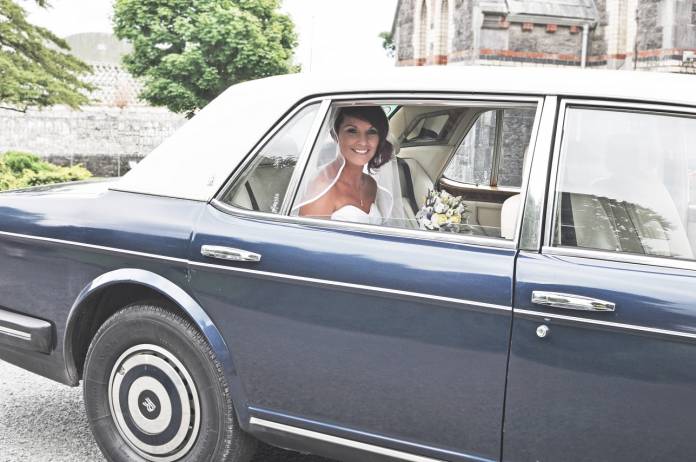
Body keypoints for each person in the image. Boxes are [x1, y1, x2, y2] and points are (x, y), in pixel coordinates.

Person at [294, 106, 398, 225]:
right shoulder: (322, 190)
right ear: (336, 135)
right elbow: (307, 241)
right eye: (352, 131)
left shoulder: (371, 184)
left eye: (372, 131)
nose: (363, 142)